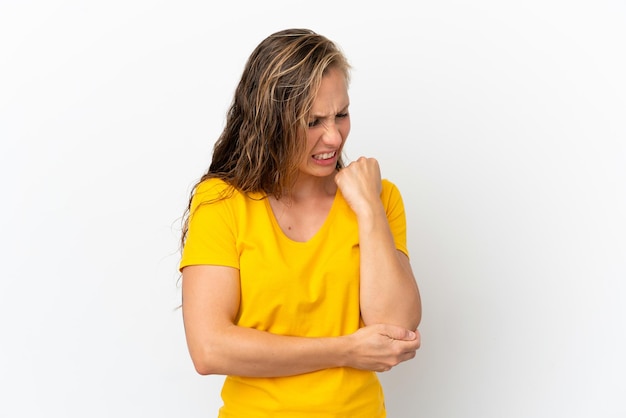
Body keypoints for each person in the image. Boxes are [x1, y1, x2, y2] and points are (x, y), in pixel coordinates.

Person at [179, 28, 422, 418]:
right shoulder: (223, 203)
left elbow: (395, 328)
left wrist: (369, 208)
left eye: (341, 115)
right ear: (268, 121)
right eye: (312, 122)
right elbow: (209, 349)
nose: (333, 137)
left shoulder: (377, 198)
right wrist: (346, 349)